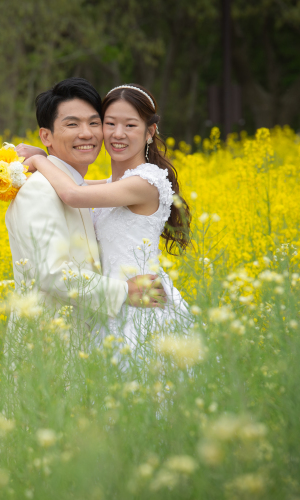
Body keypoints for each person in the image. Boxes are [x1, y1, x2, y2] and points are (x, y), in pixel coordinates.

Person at [16, 83, 192, 355]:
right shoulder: (111, 186)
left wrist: (41, 160)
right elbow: (78, 185)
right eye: (109, 123)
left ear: (150, 132)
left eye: (131, 125)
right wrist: (45, 154)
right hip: (110, 305)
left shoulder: (145, 182)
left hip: (140, 301)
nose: (117, 134)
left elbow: (74, 193)